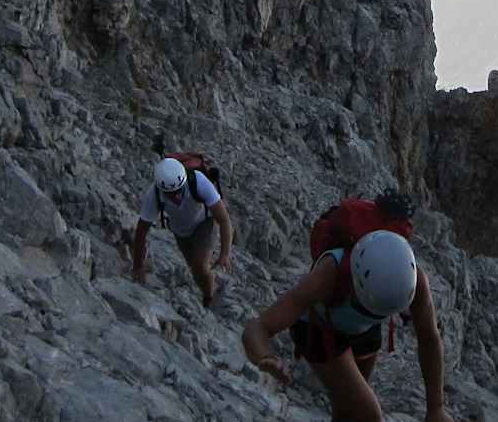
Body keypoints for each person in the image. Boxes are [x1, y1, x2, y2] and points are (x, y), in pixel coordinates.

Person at [242, 229, 451, 422]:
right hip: (317, 329)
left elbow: (429, 338)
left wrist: (436, 408)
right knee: (367, 413)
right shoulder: (327, 276)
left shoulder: (411, 280)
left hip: (365, 330)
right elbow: (259, 327)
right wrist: (265, 356)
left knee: (348, 407)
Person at [131, 156, 233, 306]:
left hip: (204, 223)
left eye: (179, 190)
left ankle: (209, 295)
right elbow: (141, 231)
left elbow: (224, 220)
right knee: (195, 269)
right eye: (171, 194)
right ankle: (208, 289)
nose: (177, 196)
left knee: (199, 264)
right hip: (180, 231)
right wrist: (137, 266)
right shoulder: (154, 194)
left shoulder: (198, 181)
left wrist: (224, 254)